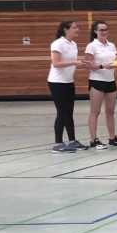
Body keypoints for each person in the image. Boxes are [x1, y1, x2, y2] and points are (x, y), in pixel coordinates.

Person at [85, 20, 117, 149]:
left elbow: (115, 61)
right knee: (95, 112)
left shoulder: (111, 45)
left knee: (110, 111)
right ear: (95, 31)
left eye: (105, 29)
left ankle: (112, 138)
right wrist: (103, 66)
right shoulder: (92, 46)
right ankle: (93, 140)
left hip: (110, 81)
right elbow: (89, 65)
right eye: (101, 30)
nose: (104, 32)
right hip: (97, 81)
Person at [48, 20, 85, 152]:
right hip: (57, 83)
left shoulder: (73, 44)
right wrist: (74, 62)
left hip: (69, 82)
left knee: (69, 112)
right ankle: (58, 143)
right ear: (66, 29)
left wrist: (80, 62)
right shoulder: (58, 44)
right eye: (74, 27)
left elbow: (71, 61)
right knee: (62, 112)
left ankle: (72, 141)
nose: (77, 29)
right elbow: (56, 63)